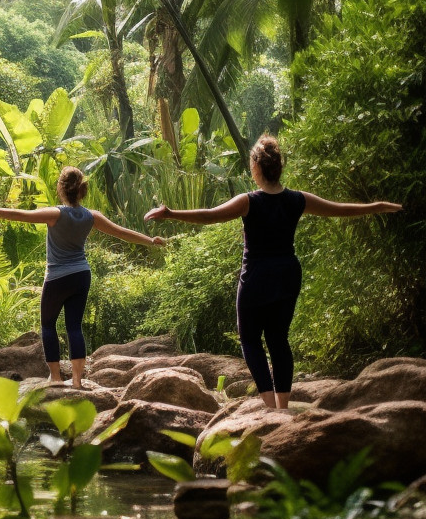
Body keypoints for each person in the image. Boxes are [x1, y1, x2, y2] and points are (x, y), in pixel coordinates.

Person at [145, 135, 401, 409]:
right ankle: (283, 407)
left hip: (257, 276)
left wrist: (170, 213)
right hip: (287, 274)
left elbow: (210, 215)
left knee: (250, 339)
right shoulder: (297, 199)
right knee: (278, 338)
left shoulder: (249, 201)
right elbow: (339, 209)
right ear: (279, 167)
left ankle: (268, 407)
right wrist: (376, 207)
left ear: (256, 166)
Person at [0, 166, 165, 388]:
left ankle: (55, 378)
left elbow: (20, 215)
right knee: (74, 326)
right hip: (81, 275)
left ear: (61, 188)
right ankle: (77, 381)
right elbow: (122, 232)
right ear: (82, 190)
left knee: (48, 325)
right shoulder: (92, 216)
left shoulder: (55, 214)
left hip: (57, 278)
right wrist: (150, 240)